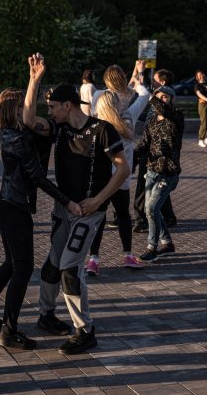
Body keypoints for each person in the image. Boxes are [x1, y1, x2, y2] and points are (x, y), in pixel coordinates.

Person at [22, 52, 128, 355]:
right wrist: (34, 79)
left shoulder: (102, 130)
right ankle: (46, 315)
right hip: (64, 209)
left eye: (53, 107)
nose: (50, 112)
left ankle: (85, 330)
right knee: (53, 263)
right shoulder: (59, 129)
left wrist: (98, 200)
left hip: (88, 212)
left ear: (68, 105)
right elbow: (28, 120)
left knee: (70, 267)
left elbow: (123, 169)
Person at [0, 89, 81, 350]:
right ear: (14, 110)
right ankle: (9, 331)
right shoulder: (18, 139)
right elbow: (37, 177)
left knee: (11, 263)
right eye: (23, 107)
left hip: (7, 204)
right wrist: (67, 201)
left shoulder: (14, 134)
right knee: (22, 267)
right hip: (13, 208)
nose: (29, 111)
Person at [85, 62, 151, 274]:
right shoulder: (129, 116)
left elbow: (101, 101)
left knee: (98, 217)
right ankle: (128, 256)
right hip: (122, 177)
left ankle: (93, 260)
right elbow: (144, 95)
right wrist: (139, 77)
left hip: (101, 176)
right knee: (123, 215)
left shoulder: (98, 122)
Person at [134, 86, 183, 263]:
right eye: (159, 97)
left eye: (165, 97)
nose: (161, 100)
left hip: (168, 173)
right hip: (151, 171)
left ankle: (151, 248)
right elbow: (144, 144)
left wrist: (149, 95)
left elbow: (164, 110)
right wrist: (130, 157)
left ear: (172, 99)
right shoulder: (153, 121)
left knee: (151, 209)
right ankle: (167, 243)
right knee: (152, 211)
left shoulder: (176, 117)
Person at [133, 68, 177, 232]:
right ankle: (168, 217)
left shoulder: (170, 109)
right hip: (149, 151)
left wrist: (143, 86)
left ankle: (141, 220)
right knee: (158, 185)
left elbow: (160, 107)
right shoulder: (157, 102)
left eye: (155, 79)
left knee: (145, 186)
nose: (153, 81)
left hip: (161, 155)